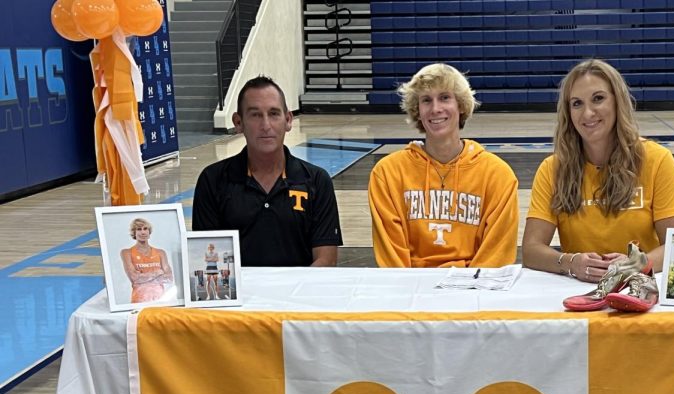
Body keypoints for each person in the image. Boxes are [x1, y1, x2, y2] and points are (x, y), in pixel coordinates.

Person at [523, 59, 674, 282]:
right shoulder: (552, 169)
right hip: (577, 289)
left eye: (598, 99)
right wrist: (572, 263)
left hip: (640, 287)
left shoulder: (657, 160)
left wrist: (635, 265)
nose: (588, 113)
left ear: (617, 102)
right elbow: (531, 251)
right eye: (577, 103)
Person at [368, 63, 518, 268]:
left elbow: (496, 256)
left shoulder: (497, 175)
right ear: (417, 110)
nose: (436, 109)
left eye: (445, 97)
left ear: (462, 105)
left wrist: (466, 293)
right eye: (426, 100)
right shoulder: (387, 173)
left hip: (473, 292)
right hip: (411, 291)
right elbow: (392, 260)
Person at [192, 75, 342, 266]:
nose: (266, 126)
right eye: (255, 115)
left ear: (288, 120)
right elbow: (208, 260)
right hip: (243, 295)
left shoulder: (317, 181)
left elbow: (326, 260)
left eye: (274, 114)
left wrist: (292, 294)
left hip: (299, 294)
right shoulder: (212, 180)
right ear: (238, 122)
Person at [120, 217, 174, 303]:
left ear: (149, 231)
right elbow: (134, 278)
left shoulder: (160, 253)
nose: (143, 232)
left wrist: (143, 276)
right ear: (134, 233)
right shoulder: (127, 253)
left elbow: (169, 278)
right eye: (139, 229)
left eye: (145, 229)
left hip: (160, 300)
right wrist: (158, 272)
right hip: (139, 300)